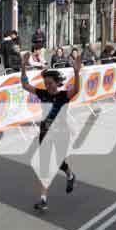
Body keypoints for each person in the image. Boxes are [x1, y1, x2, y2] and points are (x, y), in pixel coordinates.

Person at [20, 52, 80, 211]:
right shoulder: (43, 94)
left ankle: (70, 175)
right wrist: (23, 66)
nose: (48, 86)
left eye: (50, 83)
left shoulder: (63, 96)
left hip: (61, 133)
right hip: (45, 133)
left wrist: (76, 72)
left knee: (59, 163)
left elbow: (76, 90)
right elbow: (25, 85)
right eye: (45, 83)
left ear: (56, 82)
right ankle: (43, 199)